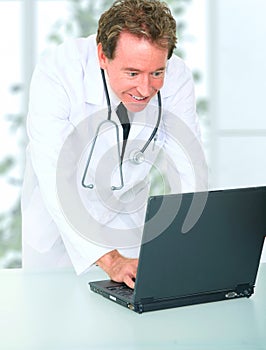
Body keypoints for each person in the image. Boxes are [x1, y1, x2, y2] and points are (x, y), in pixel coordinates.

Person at [21, 0, 208, 289]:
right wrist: (109, 259)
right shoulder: (59, 72)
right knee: (54, 321)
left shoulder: (177, 77)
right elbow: (54, 173)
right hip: (56, 232)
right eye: (132, 73)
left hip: (126, 221)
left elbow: (189, 165)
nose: (145, 89)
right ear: (102, 56)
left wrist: (197, 238)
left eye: (156, 73)